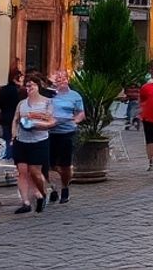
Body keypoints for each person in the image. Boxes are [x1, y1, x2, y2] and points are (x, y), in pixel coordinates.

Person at [12, 72, 56, 214]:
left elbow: (52, 122)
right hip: (21, 141)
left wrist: (37, 125)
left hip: (39, 141)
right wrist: (14, 135)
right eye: (27, 85)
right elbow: (16, 119)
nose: (29, 87)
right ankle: (25, 202)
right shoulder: (21, 103)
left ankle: (43, 193)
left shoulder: (47, 102)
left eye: (32, 84)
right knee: (22, 172)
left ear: (38, 86)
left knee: (35, 172)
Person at [47, 69, 84, 205]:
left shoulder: (75, 96)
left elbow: (80, 113)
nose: (59, 81)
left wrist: (75, 121)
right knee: (50, 165)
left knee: (65, 165)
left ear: (68, 80)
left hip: (67, 133)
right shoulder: (49, 95)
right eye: (57, 79)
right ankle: (54, 188)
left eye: (62, 78)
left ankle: (64, 187)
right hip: (50, 133)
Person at [0, 69, 22, 161]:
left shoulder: (3, 89)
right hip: (14, 116)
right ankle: (11, 155)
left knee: (6, 137)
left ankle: (6, 155)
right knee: (14, 137)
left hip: (4, 116)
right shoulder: (17, 91)